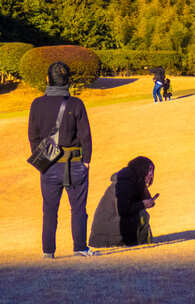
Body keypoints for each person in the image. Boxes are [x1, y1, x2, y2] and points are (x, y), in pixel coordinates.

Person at [28, 62, 93, 258]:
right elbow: (85, 136)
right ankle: (80, 248)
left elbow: (33, 135)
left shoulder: (37, 104)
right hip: (74, 163)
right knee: (78, 208)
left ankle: (48, 251)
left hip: (49, 163)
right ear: (68, 80)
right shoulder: (76, 104)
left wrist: (42, 159)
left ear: (48, 79)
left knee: (49, 210)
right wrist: (87, 159)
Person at [89, 156, 158, 247]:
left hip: (111, 229)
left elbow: (138, 201)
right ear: (140, 168)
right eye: (148, 170)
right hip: (104, 237)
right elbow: (123, 210)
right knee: (142, 214)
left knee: (142, 213)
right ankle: (141, 243)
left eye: (152, 170)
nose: (151, 174)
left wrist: (145, 194)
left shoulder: (133, 182)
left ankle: (143, 242)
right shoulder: (123, 185)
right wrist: (143, 204)